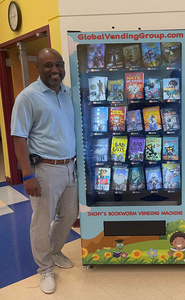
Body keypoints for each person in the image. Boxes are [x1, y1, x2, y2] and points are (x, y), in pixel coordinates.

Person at [11, 48, 79, 294]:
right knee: (41, 221)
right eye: (48, 66)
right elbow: (19, 138)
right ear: (37, 68)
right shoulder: (27, 97)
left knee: (70, 214)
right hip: (45, 169)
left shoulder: (68, 93)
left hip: (70, 166)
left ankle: (55, 250)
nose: (55, 70)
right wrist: (27, 175)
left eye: (58, 65)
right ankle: (45, 269)